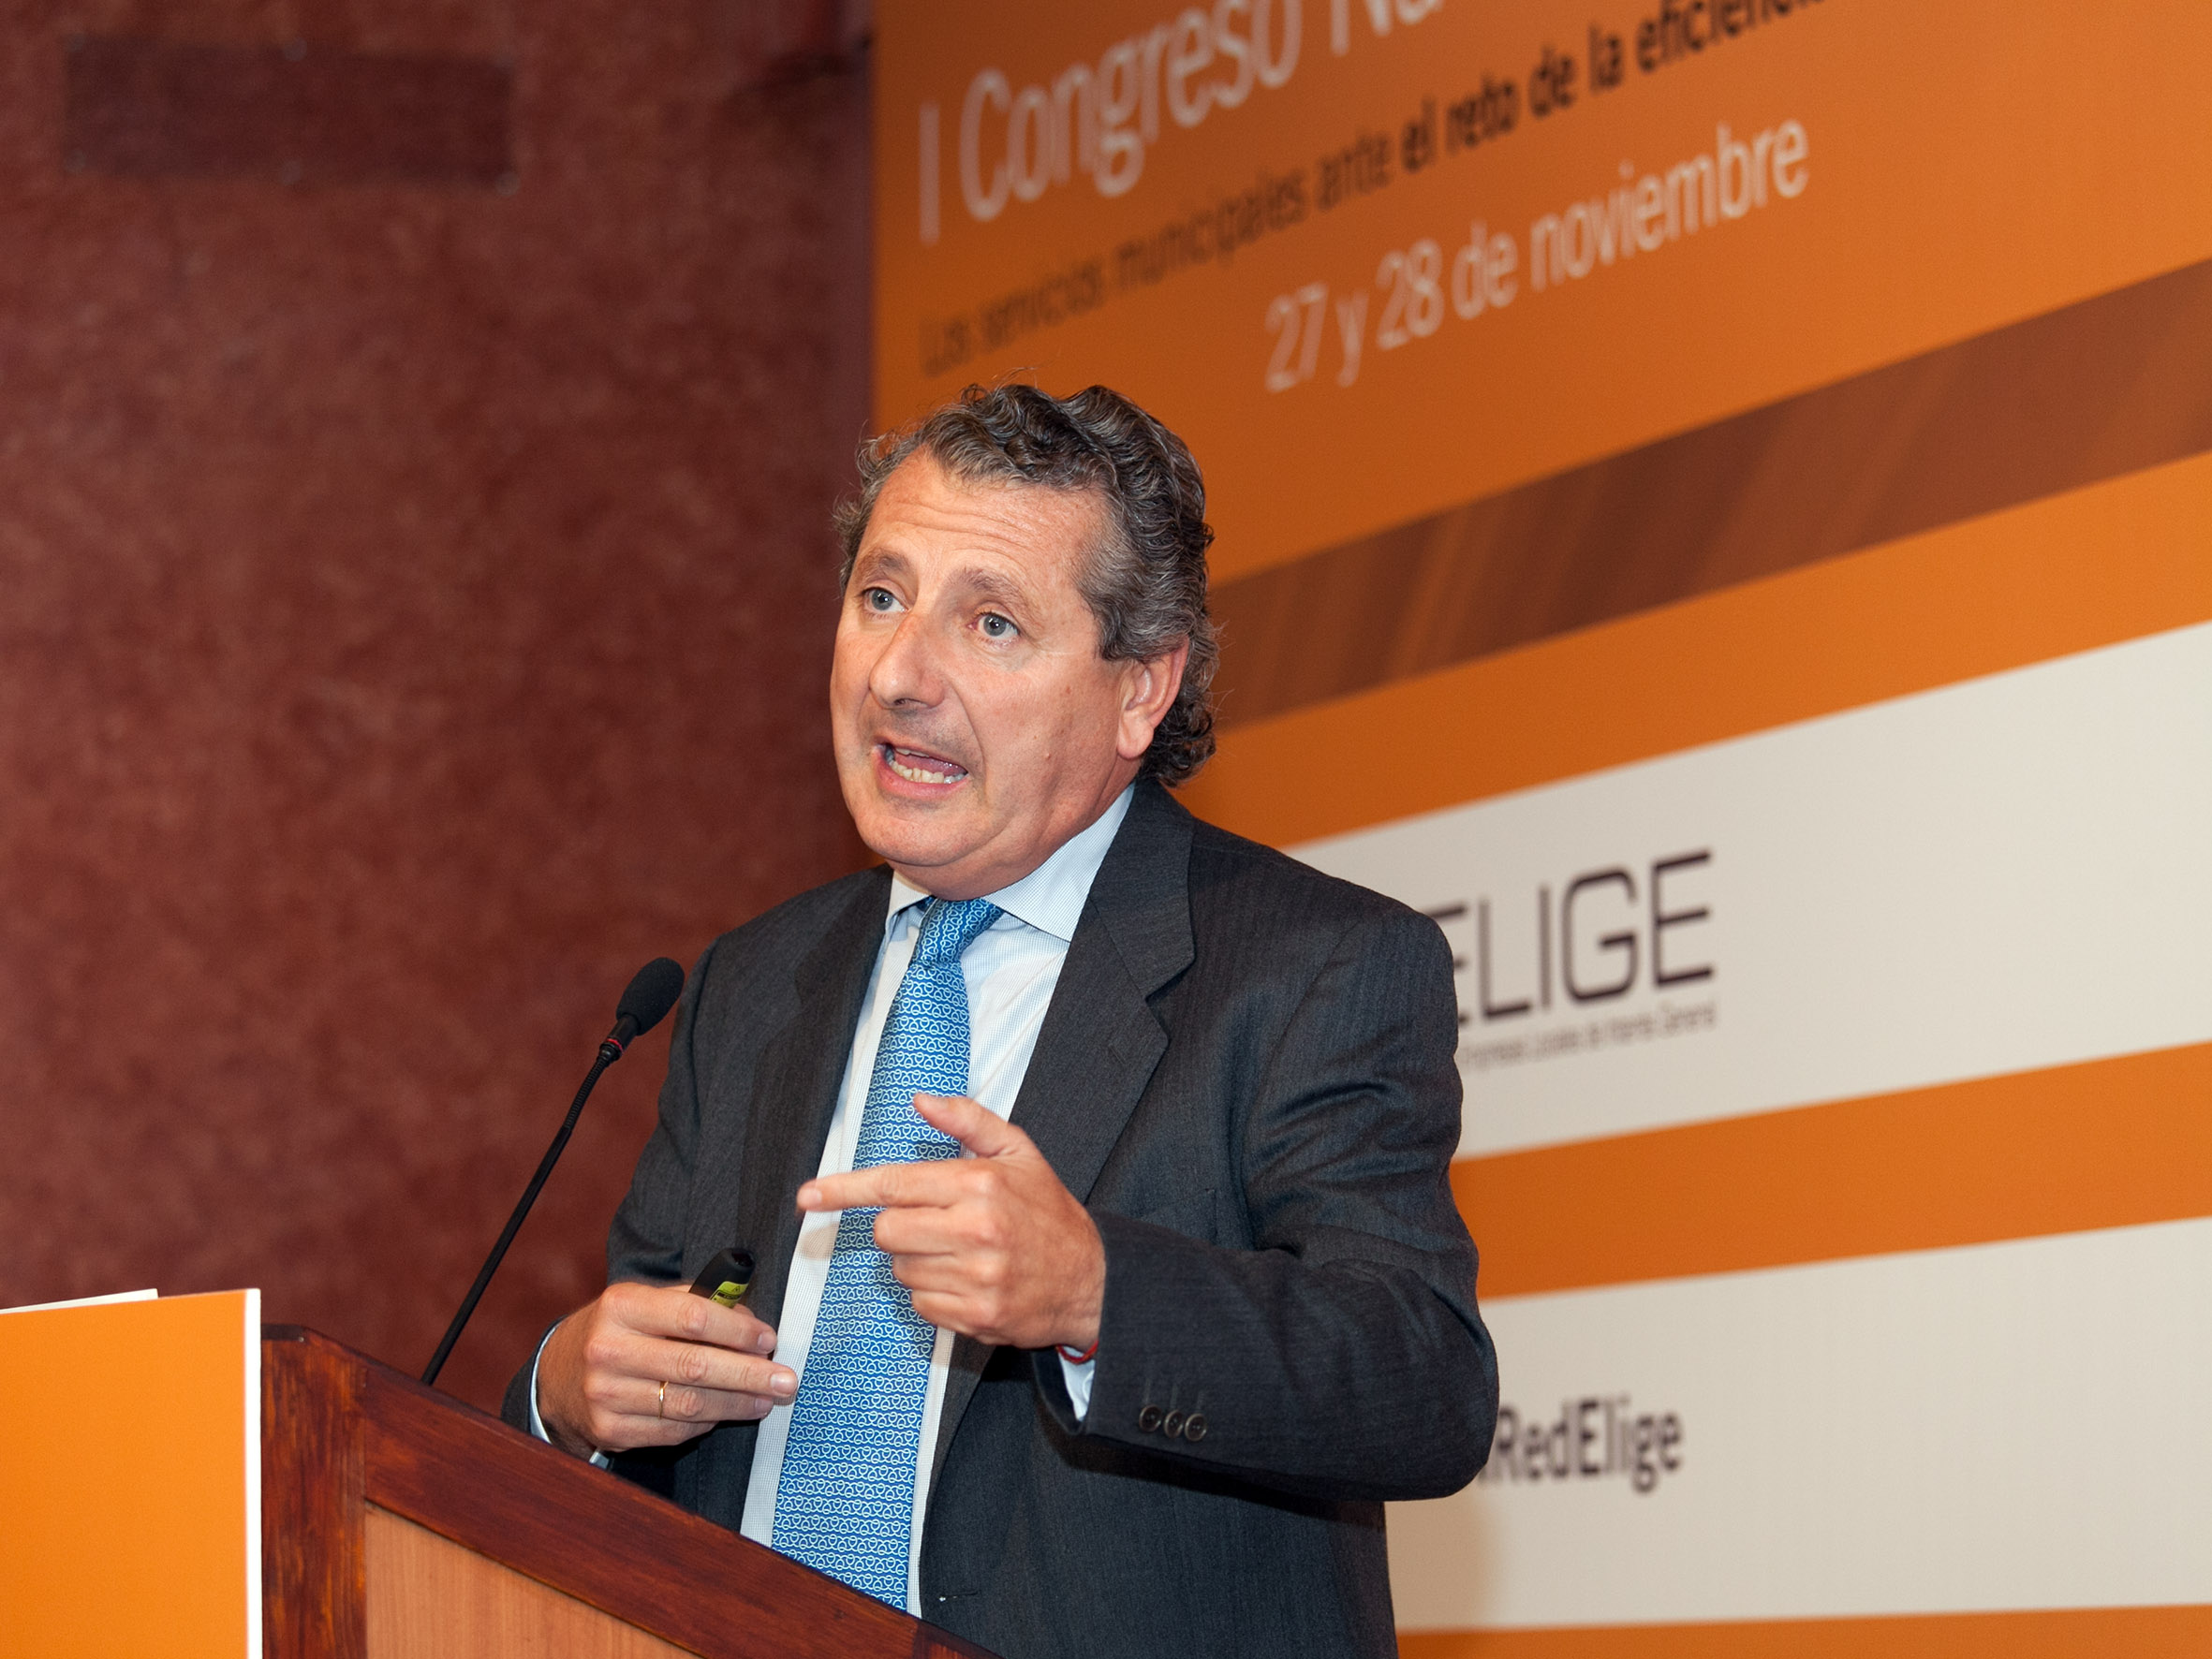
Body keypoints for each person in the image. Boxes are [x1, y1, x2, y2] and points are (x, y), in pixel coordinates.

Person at [508, 382, 1497, 1659]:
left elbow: (1424, 1387)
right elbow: (653, 1352)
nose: (900, 675)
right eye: (880, 596)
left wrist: (1097, 1293)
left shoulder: (1312, 968)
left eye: (990, 623)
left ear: (1141, 689)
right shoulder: (754, 982)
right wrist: (568, 1395)